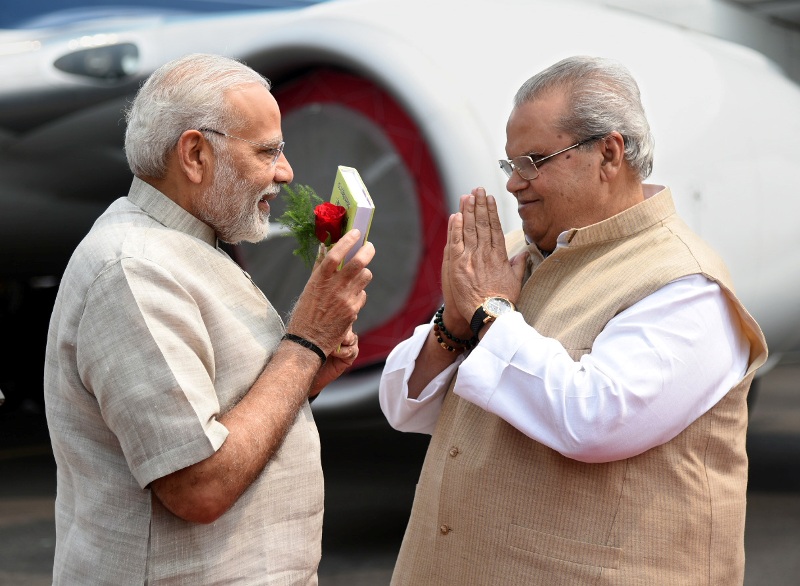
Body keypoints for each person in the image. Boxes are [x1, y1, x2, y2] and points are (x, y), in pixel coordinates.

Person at [379, 55, 767, 585]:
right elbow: (403, 407)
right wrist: (457, 322)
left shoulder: (686, 283)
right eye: (510, 164)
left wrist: (490, 312)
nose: (515, 184)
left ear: (609, 153)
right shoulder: (515, 255)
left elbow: (595, 421)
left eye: (534, 161)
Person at [44, 53, 374, 585]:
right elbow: (199, 486)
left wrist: (306, 374)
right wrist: (305, 341)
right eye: (268, 151)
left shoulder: (180, 242)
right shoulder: (134, 269)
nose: (285, 174)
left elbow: (217, 406)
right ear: (195, 154)